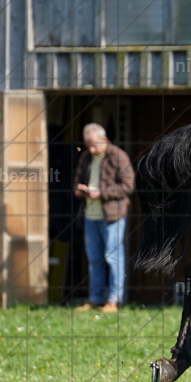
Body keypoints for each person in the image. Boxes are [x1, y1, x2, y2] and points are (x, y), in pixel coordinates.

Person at [73, 123, 135, 313]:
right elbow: (76, 183)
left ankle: (114, 301)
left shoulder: (119, 156)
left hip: (113, 216)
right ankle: (94, 299)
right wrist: (81, 191)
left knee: (113, 257)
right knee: (94, 259)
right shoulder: (85, 158)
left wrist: (101, 193)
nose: (91, 149)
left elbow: (128, 186)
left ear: (105, 140)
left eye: (94, 144)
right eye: (88, 145)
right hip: (90, 215)